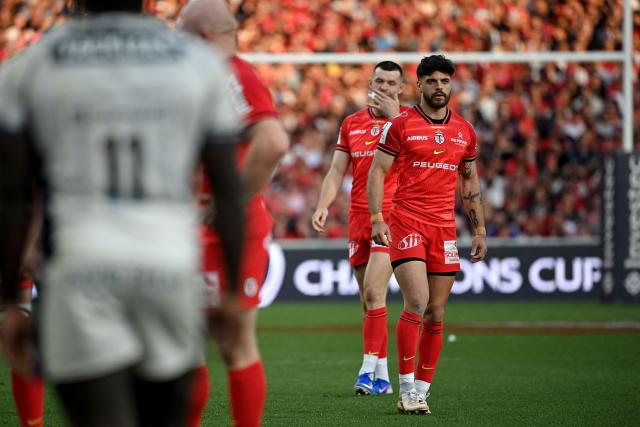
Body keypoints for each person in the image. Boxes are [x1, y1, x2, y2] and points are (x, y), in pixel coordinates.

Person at [0, 0, 245, 425]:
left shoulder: (33, 64)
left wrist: (8, 300)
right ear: (148, 3)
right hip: (167, 265)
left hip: (79, 267)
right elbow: (227, 186)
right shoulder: (196, 63)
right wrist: (233, 292)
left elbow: (13, 194)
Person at [178, 1, 290, 426]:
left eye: (181, 35)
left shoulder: (230, 73)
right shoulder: (212, 76)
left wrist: (232, 198)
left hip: (224, 230)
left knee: (227, 343)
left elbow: (273, 142)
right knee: (206, 346)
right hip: (200, 227)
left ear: (204, 37)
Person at [367, 54, 487, 414]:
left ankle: (420, 390)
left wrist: (479, 228)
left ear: (451, 85)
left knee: (436, 312)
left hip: (444, 228)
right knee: (416, 302)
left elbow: (470, 180)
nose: (439, 87)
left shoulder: (465, 131)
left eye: (445, 81)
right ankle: (405, 389)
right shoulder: (401, 124)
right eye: (432, 81)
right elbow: (377, 172)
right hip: (407, 221)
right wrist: (377, 218)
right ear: (419, 84)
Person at [312, 61, 407, 396]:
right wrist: (324, 204)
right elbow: (337, 171)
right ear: (370, 82)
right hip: (357, 217)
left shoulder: (408, 122)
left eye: (390, 83)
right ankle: (382, 376)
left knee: (373, 292)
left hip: (391, 215)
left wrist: (396, 119)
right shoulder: (352, 123)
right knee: (368, 303)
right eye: (378, 81)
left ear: (401, 88)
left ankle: (366, 372)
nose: (383, 87)